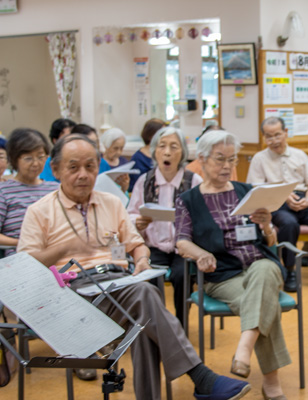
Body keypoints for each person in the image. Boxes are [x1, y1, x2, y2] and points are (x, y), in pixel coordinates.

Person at [17, 134, 251, 400]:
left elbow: (136, 244)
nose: (83, 174)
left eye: (90, 166)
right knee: (145, 298)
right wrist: (62, 249)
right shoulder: (39, 211)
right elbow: (23, 267)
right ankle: (200, 376)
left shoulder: (111, 202)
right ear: (56, 170)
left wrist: (141, 260)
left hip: (117, 283)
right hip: (74, 295)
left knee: (142, 317)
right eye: (73, 167)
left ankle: (183, 385)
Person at [175, 129, 290, 400]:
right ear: (201, 159)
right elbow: (181, 242)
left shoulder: (247, 191)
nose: (227, 166)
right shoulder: (188, 201)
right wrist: (200, 253)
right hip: (224, 276)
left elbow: (271, 239)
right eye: (220, 159)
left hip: (262, 265)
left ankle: (244, 347)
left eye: (232, 159)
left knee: (264, 270)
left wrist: (265, 224)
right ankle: (271, 382)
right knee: (265, 302)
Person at [127, 126, 202, 325]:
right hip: (155, 246)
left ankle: (181, 325)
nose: (167, 152)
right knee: (151, 276)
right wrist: (138, 221)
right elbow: (130, 214)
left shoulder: (193, 180)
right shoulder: (145, 181)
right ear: (155, 152)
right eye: (162, 146)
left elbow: (204, 217)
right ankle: (158, 325)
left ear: (183, 153)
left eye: (173, 147)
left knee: (181, 276)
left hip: (183, 247)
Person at [246, 117, 308, 292]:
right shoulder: (259, 158)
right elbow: (256, 188)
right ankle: (290, 270)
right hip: (275, 203)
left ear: (286, 133)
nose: (274, 140)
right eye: (269, 136)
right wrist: (283, 195)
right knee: (289, 224)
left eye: (278, 135)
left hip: (303, 200)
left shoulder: (299, 154)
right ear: (264, 137)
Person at [0, 129, 58, 256]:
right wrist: (22, 242)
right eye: (28, 158)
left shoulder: (56, 189)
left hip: (57, 254)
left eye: (41, 156)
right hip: (22, 257)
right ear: (14, 160)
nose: (36, 163)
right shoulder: (3, 192)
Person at [40, 123, 111, 182]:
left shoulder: (103, 163)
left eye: (95, 143)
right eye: (73, 167)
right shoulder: (53, 161)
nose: (83, 175)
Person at [129, 118, 166, 191]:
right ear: (151, 135)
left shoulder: (163, 154)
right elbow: (138, 186)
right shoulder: (138, 159)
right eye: (162, 134)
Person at [101, 127, 130, 192]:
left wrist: (125, 187)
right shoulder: (99, 161)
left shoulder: (124, 162)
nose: (119, 152)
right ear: (106, 146)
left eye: (121, 148)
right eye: (115, 148)